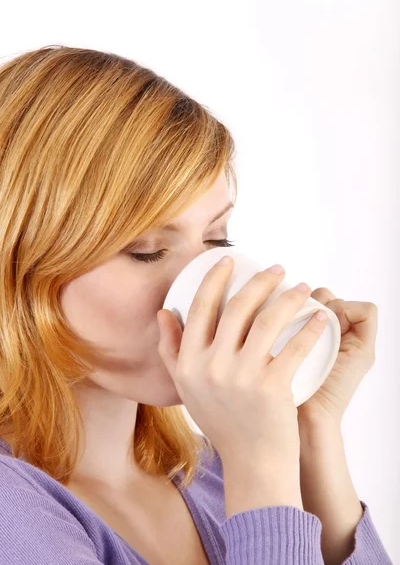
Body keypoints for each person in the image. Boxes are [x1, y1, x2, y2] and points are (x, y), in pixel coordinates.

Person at [0, 45, 392, 564]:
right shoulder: (14, 514)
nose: (205, 281)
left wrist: (307, 436)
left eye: (216, 240)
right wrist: (261, 465)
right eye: (147, 250)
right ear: (20, 265)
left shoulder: (209, 471)